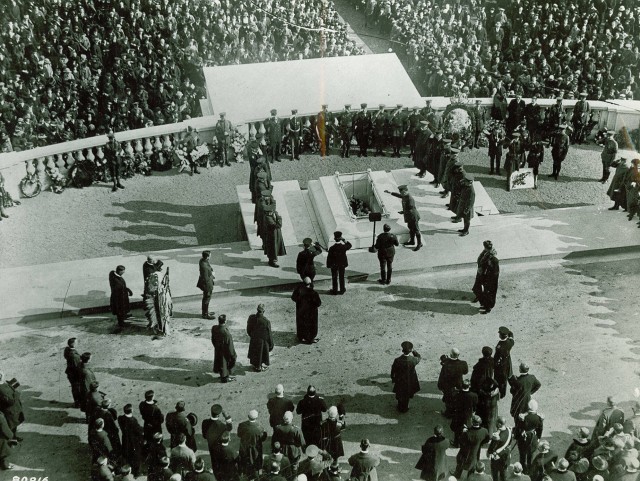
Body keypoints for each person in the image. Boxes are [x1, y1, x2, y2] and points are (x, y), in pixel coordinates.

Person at [385, 185, 422, 250]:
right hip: (409, 216)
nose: (401, 194)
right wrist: (390, 192)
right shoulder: (405, 196)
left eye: (402, 192)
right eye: (401, 192)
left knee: (416, 230)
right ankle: (412, 241)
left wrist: (403, 212)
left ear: (405, 191)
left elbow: (410, 209)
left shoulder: (410, 199)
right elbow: (399, 195)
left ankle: (419, 244)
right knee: (411, 229)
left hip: (413, 216)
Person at [391, 341, 422, 413]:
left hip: (400, 380)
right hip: (409, 380)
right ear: (410, 351)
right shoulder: (413, 360)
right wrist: (414, 351)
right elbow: (419, 357)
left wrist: (393, 378)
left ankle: (400, 406)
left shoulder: (397, 360)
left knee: (400, 393)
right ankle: (405, 407)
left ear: (402, 350)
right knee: (407, 394)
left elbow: (393, 370)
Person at [437, 348, 468, 418]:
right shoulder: (463, 363)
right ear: (458, 355)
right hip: (458, 385)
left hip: (448, 386)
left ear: (450, 355)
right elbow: (465, 372)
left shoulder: (446, 364)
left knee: (448, 400)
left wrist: (440, 386)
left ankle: (448, 413)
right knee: (457, 398)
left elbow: (442, 376)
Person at [237, 409, 268, 479]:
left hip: (244, 448)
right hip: (255, 450)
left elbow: (239, 435)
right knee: (256, 465)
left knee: (245, 463)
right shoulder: (260, 428)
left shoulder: (241, 425)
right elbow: (262, 439)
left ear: (248, 416)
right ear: (256, 418)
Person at [144, 260, 171, 336]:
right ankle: (165, 329)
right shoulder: (162, 275)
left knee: (158, 313)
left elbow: (151, 289)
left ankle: (160, 329)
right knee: (164, 313)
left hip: (158, 297)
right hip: (164, 296)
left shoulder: (153, 275)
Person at [471, 240, 500, 313]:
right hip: (484, 275)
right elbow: (481, 261)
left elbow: (495, 273)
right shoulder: (486, 253)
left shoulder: (494, 260)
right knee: (479, 289)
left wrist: (488, 280)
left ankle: (487, 308)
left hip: (489, 279)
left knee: (489, 293)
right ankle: (483, 302)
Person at [516, 400, 544, 474]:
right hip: (533, 437)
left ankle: (522, 469)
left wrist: (517, 436)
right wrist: (538, 437)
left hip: (523, 438)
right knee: (530, 455)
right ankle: (529, 469)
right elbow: (540, 429)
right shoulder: (539, 418)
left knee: (522, 455)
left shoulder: (523, 417)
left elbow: (519, 427)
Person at [291, 277, 322, 344]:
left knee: (301, 324)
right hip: (311, 313)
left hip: (301, 311)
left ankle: (301, 337)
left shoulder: (298, 290)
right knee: (311, 325)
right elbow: (318, 303)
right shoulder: (314, 293)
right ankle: (310, 338)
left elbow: (293, 298)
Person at [118, 403, 145, 478]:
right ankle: (136, 473)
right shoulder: (133, 421)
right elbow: (139, 431)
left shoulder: (120, 418)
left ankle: (128, 469)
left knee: (127, 456)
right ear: (131, 411)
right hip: (133, 442)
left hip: (125, 441)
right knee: (136, 457)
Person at [451, 379, 479, 448]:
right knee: (467, 429)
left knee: (457, 430)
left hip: (458, 415)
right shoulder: (474, 395)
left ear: (461, 386)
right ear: (469, 386)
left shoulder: (456, 394)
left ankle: (456, 443)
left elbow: (453, 405)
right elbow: (475, 406)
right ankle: (466, 443)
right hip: (468, 415)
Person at [246, 304, 274, 372]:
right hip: (262, 341)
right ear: (264, 311)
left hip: (254, 339)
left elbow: (248, 330)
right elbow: (269, 335)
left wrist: (252, 336)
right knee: (261, 353)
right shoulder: (266, 321)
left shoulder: (251, 318)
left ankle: (256, 366)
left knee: (255, 352)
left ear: (257, 309)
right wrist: (271, 344)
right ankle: (259, 366)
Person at [211, 314, 237, 383]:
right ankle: (225, 378)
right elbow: (230, 346)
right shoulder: (226, 333)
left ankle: (222, 375)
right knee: (225, 364)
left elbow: (213, 340)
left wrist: (216, 346)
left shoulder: (214, 328)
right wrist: (233, 355)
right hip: (225, 352)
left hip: (217, 349)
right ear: (225, 321)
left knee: (219, 362)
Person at [0, 372, 23, 444]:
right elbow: (10, 401)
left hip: (12, 411)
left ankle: (14, 438)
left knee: (13, 426)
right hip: (9, 412)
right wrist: (16, 394)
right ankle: (11, 439)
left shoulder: (3, 384)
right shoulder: (1, 389)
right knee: (10, 426)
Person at [109, 265, 132, 329]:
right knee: (120, 310)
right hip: (119, 298)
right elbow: (121, 288)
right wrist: (128, 290)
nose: (123, 273)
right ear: (119, 271)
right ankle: (121, 323)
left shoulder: (113, 274)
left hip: (121, 296)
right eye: (123, 272)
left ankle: (124, 316)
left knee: (122, 309)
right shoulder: (117, 281)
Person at [494, 327, 514, 399]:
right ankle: (503, 393)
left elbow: (496, 357)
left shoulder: (500, 346)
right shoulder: (510, 342)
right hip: (507, 361)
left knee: (499, 378)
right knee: (505, 378)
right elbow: (511, 336)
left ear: (501, 335)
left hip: (501, 364)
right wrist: (508, 332)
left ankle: (499, 393)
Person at [64, 337, 82, 407]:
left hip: (70, 372)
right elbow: (76, 367)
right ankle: (78, 403)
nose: (78, 343)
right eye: (76, 342)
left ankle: (77, 402)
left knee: (75, 388)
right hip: (74, 374)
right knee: (76, 389)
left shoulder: (67, 350)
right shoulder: (74, 355)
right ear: (73, 344)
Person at [197, 251, 215, 320]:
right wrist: (212, 276)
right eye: (210, 255)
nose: (210, 256)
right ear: (207, 257)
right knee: (207, 299)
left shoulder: (203, 260)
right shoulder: (204, 266)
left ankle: (206, 311)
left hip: (207, 282)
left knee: (206, 299)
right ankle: (205, 314)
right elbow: (206, 278)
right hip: (207, 285)